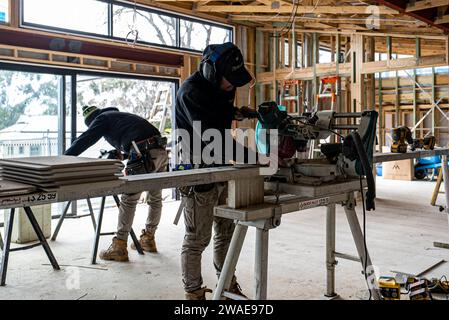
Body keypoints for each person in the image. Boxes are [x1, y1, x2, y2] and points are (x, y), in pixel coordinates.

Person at [175, 42, 257, 300]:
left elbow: (217, 115)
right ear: (211, 72)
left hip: (220, 165)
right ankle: (194, 292)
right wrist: (259, 158)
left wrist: (235, 113)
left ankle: (225, 284)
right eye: (229, 80)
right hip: (196, 168)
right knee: (197, 238)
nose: (232, 86)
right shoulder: (190, 92)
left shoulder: (220, 87)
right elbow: (215, 139)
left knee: (225, 230)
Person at [65, 106, 169, 262]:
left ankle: (119, 246)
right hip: (159, 152)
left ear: (92, 120)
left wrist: (65, 158)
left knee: (129, 199)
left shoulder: (102, 118)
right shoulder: (119, 117)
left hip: (144, 154)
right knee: (155, 198)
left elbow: (86, 139)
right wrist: (123, 153)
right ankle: (148, 239)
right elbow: (136, 137)